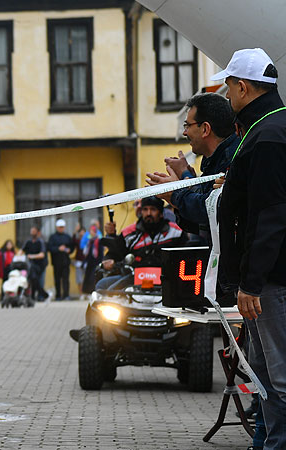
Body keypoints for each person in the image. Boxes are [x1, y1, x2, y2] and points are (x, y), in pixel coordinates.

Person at [212, 48, 286, 449]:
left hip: (271, 281)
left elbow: (271, 217)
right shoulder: (266, 128)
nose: (226, 97)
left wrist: (252, 283)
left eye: (228, 87)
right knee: (265, 373)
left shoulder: (268, 136)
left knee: (278, 378)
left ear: (242, 87)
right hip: (265, 279)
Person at [146, 92, 238, 245]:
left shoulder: (232, 159)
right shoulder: (214, 161)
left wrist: (176, 192)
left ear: (205, 129)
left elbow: (211, 209)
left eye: (188, 125)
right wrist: (176, 194)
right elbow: (201, 223)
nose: (184, 132)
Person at [96, 197, 187, 291]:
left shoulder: (176, 232)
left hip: (167, 279)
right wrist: (108, 261)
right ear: (141, 211)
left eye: (153, 209)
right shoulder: (128, 234)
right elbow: (115, 253)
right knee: (102, 286)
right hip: (134, 278)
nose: (148, 213)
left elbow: (187, 255)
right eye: (145, 209)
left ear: (160, 213)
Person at [48, 219, 75, 300]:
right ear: (57, 227)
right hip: (56, 262)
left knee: (66, 279)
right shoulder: (52, 237)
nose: (61, 228)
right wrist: (58, 248)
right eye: (60, 227)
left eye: (62, 227)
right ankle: (58, 296)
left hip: (65, 262)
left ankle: (66, 295)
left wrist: (69, 250)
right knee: (57, 279)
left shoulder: (67, 237)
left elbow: (72, 247)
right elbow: (50, 248)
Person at [22, 226, 49, 301]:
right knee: (33, 278)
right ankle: (36, 295)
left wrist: (31, 256)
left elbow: (42, 255)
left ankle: (41, 296)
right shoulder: (28, 242)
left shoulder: (41, 241)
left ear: (38, 232)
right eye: (31, 231)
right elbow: (21, 251)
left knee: (39, 281)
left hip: (41, 265)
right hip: (31, 266)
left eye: (34, 231)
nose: (32, 233)